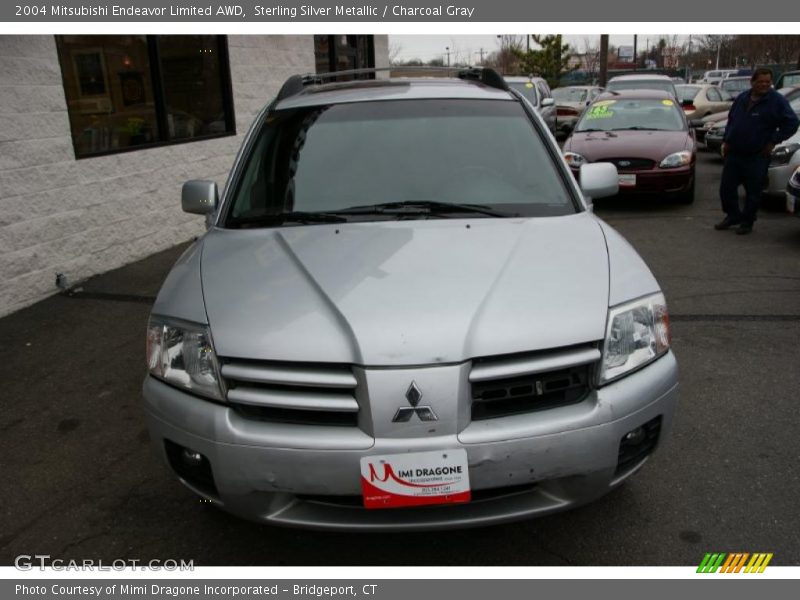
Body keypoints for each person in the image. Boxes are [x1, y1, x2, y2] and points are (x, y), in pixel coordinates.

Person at [714, 68, 799, 235]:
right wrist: (727, 140)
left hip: (757, 155)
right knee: (727, 188)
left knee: (753, 192)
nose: (764, 85)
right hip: (735, 152)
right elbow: (732, 120)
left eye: (767, 82)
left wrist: (773, 140)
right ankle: (733, 216)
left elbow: (792, 123)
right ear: (752, 82)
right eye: (761, 82)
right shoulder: (743, 98)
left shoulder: (777, 101)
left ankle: (747, 221)